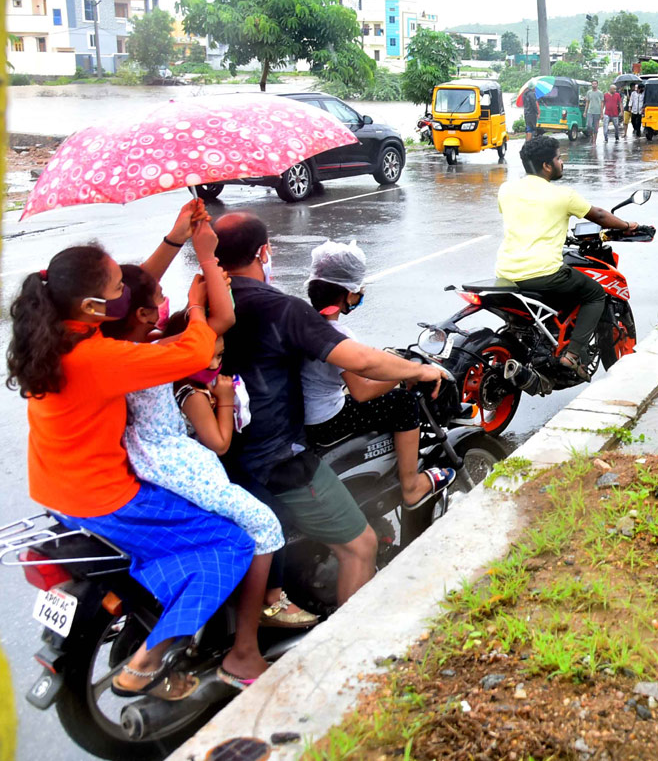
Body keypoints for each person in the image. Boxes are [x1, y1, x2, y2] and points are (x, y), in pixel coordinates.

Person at [8, 239, 254, 701]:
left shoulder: (56, 334)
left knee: (174, 540)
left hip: (56, 490)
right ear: (94, 304)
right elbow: (195, 354)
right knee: (231, 541)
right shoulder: (101, 359)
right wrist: (196, 307)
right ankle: (149, 659)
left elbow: (132, 285)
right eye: (118, 284)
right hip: (105, 500)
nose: (132, 284)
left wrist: (174, 239)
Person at [103, 233, 316, 690]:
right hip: (176, 460)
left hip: (148, 459)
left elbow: (160, 306)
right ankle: (245, 648)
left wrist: (184, 243)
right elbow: (221, 320)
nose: (165, 301)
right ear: (143, 316)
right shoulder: (155, 356)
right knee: (263, 527)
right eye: (159, 299)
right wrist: (200, 274)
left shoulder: (118, 346)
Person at [213, 213, 449, 607]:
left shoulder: (204, 307)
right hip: (280, 454)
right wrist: (418, 370)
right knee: (361, 545)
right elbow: (363, 368)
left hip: (224, 448)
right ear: (264, 252)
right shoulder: (282, 311)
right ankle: (347, 641)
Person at [300, 240, 455, 509]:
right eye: (359, 289)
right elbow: (362, 391)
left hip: (303, 415)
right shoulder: (337, 335)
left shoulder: (302, 319)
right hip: (326, 420)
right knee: (402, 403)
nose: (360, 294)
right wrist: (403, 375)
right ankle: (411, 485)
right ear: (347, 293)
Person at [495, 135, 640, 379]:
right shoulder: (563, 195)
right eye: (559, 158)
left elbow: (528, 217)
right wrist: (626, 225)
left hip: (505, 274)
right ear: (546, 166)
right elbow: (601, 216)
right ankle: (571, 355)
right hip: (542, 274)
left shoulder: (506, 189)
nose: (562, 162)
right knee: (595, 293)